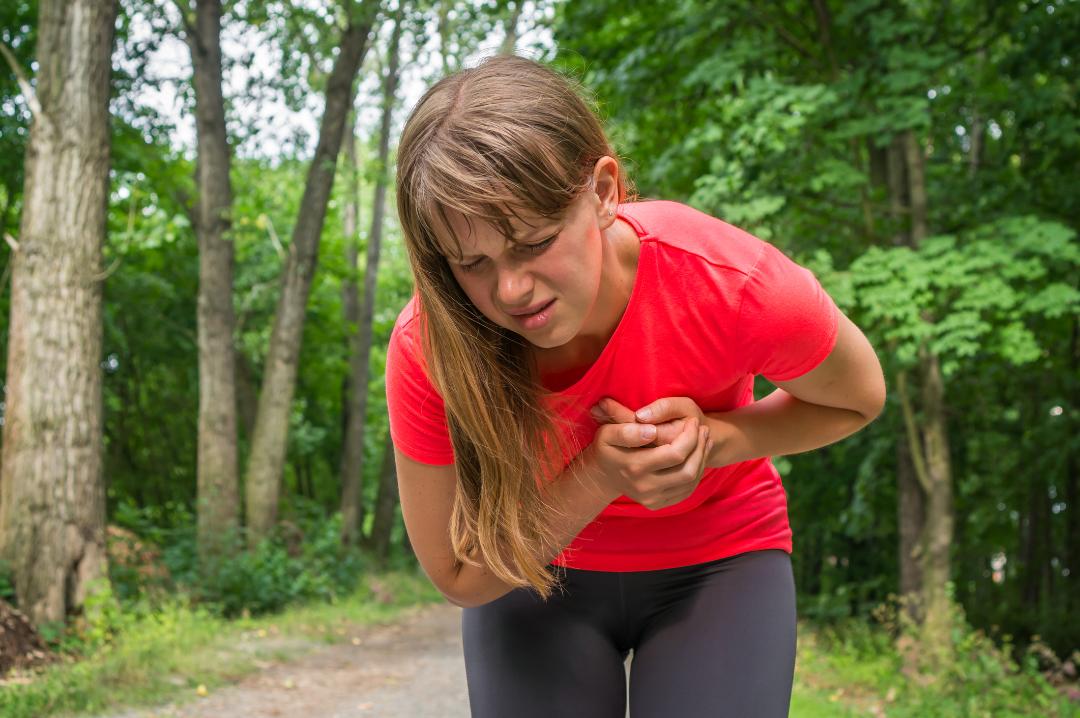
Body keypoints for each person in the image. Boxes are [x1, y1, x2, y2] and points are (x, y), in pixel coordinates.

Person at [385, 54, 886, 718]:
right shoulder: (430, 343)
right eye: (472, 263)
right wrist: (599, 474)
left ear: (603, 192)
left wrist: (717, 438)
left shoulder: (730, 283)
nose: (510, 290)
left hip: (719, 565)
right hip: (534, 578)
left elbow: (859, 396)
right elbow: (458, 573)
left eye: (533, 243)